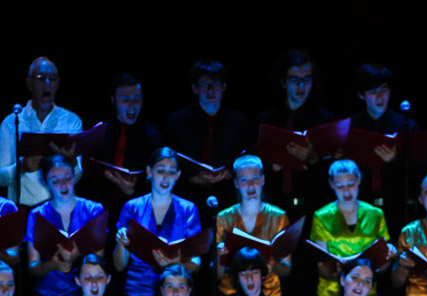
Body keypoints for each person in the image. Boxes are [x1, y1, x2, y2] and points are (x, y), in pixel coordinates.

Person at [114, 147, 202, 296]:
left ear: (178, 175)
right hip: (136, 294)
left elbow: (196, 265)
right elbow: (119, 265)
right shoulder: (132, 207)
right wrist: (121, 245)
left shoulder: (188, 209)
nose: (166, 177)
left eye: (171, 172)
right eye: (160, 171)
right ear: (149, 172)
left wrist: (175, 261)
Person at [26, 155, 105, 296]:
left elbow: (99, 260)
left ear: (74, 177)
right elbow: (32, 268)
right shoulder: (37, 215)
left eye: (67, 178)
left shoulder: (93, 210)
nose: (63, 185)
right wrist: (52, 265)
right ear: (46, 183)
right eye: (55, 180)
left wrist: (77, 257)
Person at [255, 49, 334, 217]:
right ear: (283, 82)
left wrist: (312, 157)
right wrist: (272, 165)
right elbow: (252, 162)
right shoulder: (266, 120)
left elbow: (331, 170)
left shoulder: (325, 119)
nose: (301, 86)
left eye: (307, 79)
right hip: (273, 205)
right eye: (294, 80)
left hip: (313, 206)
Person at [165, 59, 249, 207]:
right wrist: (192, 179)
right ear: (195, 88)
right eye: (204, 84)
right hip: (186, 197)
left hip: (227, 198)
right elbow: (168, 163)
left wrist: (231, 173)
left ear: (224, 87)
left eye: (215, 84)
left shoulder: (239, 123)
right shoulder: (176, 122)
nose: (210, 90)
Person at [348, 62, 419, 236]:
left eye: (384, 89)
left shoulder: (406, 125)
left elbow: (420, 172)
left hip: (397, 209)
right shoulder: (350, 126)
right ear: (361, 95)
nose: (380, 97)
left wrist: (395, 160)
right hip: (359, 208)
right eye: (373, 92)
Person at [0, 57, 81, 207]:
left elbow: (77, 175)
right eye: (41, 78)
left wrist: (72, 161)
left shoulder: (71, 121)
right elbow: (1, 177)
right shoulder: (12, 122)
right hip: (22, 206)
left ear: (58, 84)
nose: (47, 83)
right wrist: (21, 168)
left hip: (59, 209)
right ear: (29, 83)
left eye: (52, 78)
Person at [311, 159, 394, 296]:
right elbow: (322, 262)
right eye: (340, 186)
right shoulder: (322, 216)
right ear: (332, 184)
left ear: (359, 180)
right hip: (332, 294)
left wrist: (388, 257)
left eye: (351, 184)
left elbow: (382, 262)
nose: (346, 191)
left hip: (365, 292)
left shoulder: (375, 214)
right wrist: (340, 274)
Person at [216, 155, 291, 296]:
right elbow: (216, 274)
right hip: (231, 295)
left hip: (268, 295)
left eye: (255, 179)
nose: (250, 185)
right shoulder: (223, 218)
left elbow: (286, 269)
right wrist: (220, 259)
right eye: (244, 180)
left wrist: (273, 266)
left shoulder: (278, 217)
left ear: (263, 180)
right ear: (236, 183)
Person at [87, 73, 162, 207]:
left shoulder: (153, 137)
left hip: (138, 208)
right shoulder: (99, 133)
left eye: (137, 99)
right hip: (100, 207)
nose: (132, 105)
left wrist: (132, 191)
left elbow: (158, 183)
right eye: (125, 99)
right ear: (113, 100)